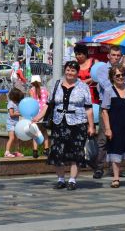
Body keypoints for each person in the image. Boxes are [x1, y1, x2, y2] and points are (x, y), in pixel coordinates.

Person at [47, 61, 96, 191]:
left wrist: (91, 126)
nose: (70, 73)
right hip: (59, 122)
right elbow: (49, 104)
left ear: (77, 72)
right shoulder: (56, 84)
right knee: (57, 151)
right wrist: (38, 117)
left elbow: (89, 108)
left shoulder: (83, 87)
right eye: (68, 70)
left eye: (73, 71)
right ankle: (60, 179)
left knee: (76, 152)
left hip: (78, 124)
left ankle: (72, 180)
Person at [92, 45, 125, 179]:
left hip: (122, 106)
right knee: (103, 137)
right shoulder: (103, 69)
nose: (115, 58)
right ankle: (99, 167)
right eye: (113, 55)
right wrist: (120, 84)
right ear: (108, 56)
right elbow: (107, 86)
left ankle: (120, 168)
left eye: (118, 55)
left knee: (122, 137)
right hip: (107, 106)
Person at [29, 75, 50, 158]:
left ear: (31, 82)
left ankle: (35, 150)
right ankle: (46, 149)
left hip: (36, 114)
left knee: (35, 132)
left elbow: (32, 102)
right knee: (44, 132)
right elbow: (48, 98)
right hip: (44, 113)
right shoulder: (45, 89)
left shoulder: (31, 90)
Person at [4, 88, 25, 158]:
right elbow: (11, 114)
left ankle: (16, 152)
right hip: (10, 123)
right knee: (12, 138)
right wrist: (19, 114)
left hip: (16, 123)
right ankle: (7, 152)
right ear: (15, 97)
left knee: (17, 138)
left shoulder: (17, 103)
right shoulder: (11, 103)